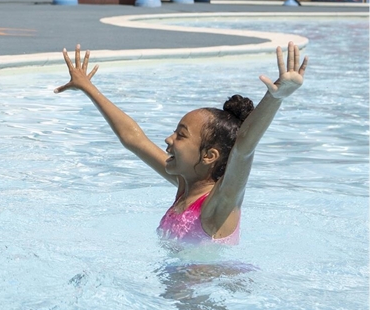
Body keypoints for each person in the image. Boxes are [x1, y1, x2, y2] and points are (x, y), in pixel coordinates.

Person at [55, 43, 308, 243]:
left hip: (209, 301)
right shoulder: (184, 186)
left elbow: (243, 149)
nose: (168, 139)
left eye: (181, 135)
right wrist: (88, 88)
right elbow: (133, 139)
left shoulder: (218, 205)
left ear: (209, 155)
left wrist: (275, 99)